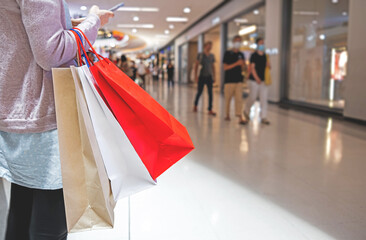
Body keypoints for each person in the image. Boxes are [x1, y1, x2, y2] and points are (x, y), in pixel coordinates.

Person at [0, 1, 113, 239]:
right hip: (45, 113)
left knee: (22, 213)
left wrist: (65, 24)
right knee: (51, 224)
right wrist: (93, 21)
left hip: (17, 108)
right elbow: (51, 52)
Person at [244, 38, 271, 125]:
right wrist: (257, 78)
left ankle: (263, 117)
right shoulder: (254, 55)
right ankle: (246, 110)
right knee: (253, 97)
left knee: (264, 99)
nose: (262, 45)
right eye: (261, 43)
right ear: (257, 45)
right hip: (254, 80)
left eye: (263, 43)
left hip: (263, 80)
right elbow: (252, 68)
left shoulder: (265, 56)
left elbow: (268, 68)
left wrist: (268, 65)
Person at [223, 35, 247, 125]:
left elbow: (243, 68)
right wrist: (236, 63)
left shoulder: (241, 54)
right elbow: (225, 67)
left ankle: (240, 116)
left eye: (240, 41)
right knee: (228, 99)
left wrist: (243, 66)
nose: (238, 43)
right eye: (237, 41)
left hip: (239, 80)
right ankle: (227, 114)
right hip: (229, 80)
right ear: (233, 42)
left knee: (239, 99)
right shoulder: (228, 53)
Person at [193, 41, 217, 116]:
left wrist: (214, 76)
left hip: (209, 76)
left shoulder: (212, 55)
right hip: (202, 76)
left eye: (211, 45)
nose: (209, 47)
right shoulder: (200, 55)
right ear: (205, 46)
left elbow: (213, 66)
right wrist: (196, 76)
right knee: (199, 92)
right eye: (208, 45)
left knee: (210, 93)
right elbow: (196, 65)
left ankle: (210, 109)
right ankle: (195, 105)